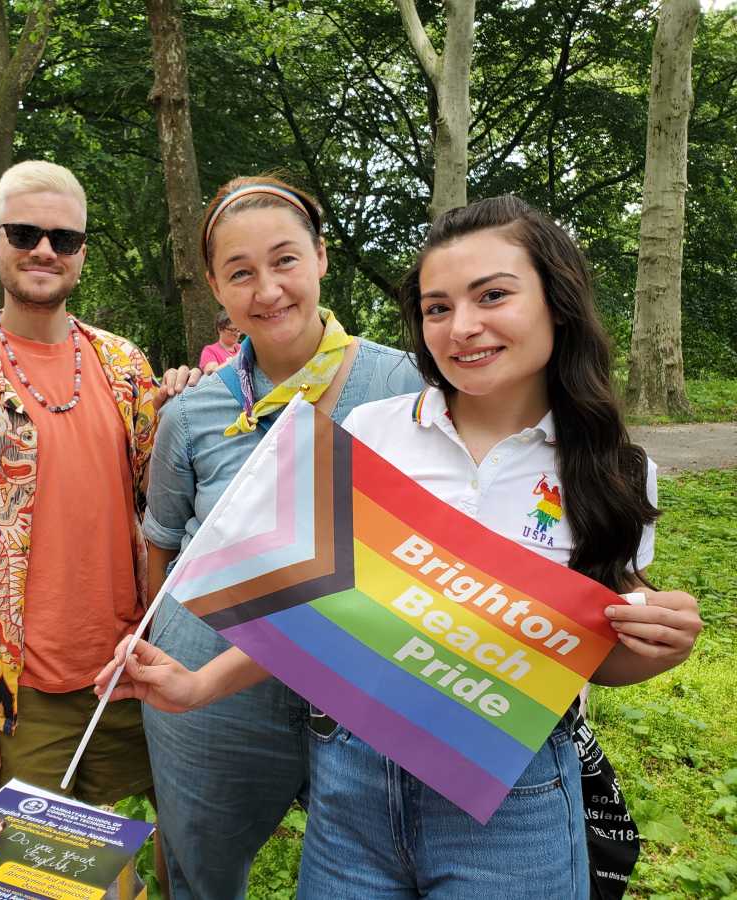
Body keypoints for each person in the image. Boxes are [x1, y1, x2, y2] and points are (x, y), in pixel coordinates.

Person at [98, 195, 704, 898]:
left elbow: (595, 661)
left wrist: (658, 644)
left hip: (513, 800)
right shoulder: (374, 432)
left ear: (557, 302)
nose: (463, 327)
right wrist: (199, 685)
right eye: (438, 307)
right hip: (352, 783)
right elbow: (321, 611)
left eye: (494, 296)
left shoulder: (615, 471)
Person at [131, 175, 424, 897]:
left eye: (285, 260)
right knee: (200, 869)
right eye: (240, 272)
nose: (267, 290)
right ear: (215, 288)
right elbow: (162, 550)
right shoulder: (192, 414)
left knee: (367, 874)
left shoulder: (407, 387)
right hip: (210, 690)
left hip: (363, 683)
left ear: (322, 258)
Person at [0, 160, 194, 818]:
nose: (45, 250)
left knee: (165, 850)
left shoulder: (125, 367)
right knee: (30, 871)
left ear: (82, 255)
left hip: (130, 667)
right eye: (25, 233)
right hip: (18, 693)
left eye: (65, 238)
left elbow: (170, 507)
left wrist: (192, 409)